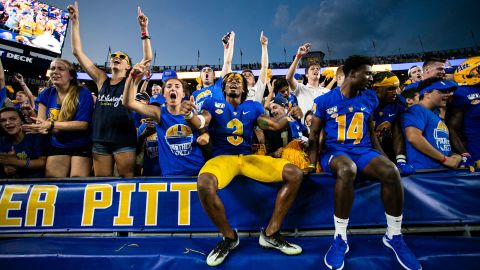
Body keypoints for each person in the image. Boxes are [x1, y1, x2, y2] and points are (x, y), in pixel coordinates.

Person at [308, 55, 421, 270]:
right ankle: (340, 238)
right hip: (336, 151)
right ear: (352, 74)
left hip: (363, 150)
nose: (371, 77)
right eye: (367, 73)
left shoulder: (369, 97)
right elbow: (314, 136)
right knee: (346, 169)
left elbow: (370, 131)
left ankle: (394, 236)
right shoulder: (324, 100)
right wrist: (313, 165)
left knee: (391, 172)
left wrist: (387, 160)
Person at [180, 72, 303, 267]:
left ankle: (271, 233)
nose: (233, 83)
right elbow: (201, 121)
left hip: (247, 158)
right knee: (204, 183)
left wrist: (291, 116)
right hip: (223, 158)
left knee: (294, 173)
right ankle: (229, 237)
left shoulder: (253, 107)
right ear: (224, 88)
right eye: (229, 81)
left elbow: (273, 125)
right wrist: (188, 114)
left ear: (245, 88)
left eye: (238, 81)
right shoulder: (212, 103)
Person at [68, 2, 152, 177]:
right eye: (114, 56)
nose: (116, 57)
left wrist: (144, 30)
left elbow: (148, 58)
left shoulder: (132, 80)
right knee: (102, 184)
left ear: (128, 65)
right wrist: (74, 23)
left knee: (126, 183)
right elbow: (77, 51)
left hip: (124, 141)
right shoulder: (101, 80)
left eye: (122, 57)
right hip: (100, 141)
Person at [122, 60, 204, 176]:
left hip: (197, 173)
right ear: (164, 94)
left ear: (183, 93)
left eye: (177, 86)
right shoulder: (158, 113)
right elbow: (128, 102)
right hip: (171, 175)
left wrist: (205, 133)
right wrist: (132, 76)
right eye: (169, 86)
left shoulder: (192, 111)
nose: (173, 89)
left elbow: (205, 134)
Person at [22, 59, 94, 177]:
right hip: (58, 144)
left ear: (71, 76)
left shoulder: (83, 92)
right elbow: (42, 124)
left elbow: (83, 124)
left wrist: (51, 125)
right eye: (53, 68)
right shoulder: (45, 93)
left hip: (81, 144)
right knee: (52, 180)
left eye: (60, 69)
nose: (55, 72)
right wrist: (38, 128)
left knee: (76, 181)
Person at [403, 77, 462, 171]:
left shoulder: (434, 116)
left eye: (448, 91)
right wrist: (445, 159)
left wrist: (456, 157)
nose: (448, 94)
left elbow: (442, 147)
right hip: (425, 173)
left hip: (439, 172)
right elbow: (414, 138)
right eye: (442, 91)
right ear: (427, 94)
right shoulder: (417, 110)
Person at [371, 72, 414, 175]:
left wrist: (401, 161)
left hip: (385, 148)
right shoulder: (364, 102)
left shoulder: (398, 103)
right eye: (390, 88)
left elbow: (397, 135)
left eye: (396, 87)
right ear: (376, 88)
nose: (395, 92)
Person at [447, 56, 480, 168]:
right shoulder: (462, 93)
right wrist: (465, 155)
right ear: (467, 73)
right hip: (477, 154)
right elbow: (453, 129)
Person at [0, 107, 47, 178]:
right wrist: (7, 168)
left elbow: (42, 163)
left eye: (13, 119)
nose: (8, 122)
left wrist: (13, 161)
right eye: (3, 120)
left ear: (22, 120)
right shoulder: (2, 142)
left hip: (38, 182)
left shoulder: (35, 136)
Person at [286, 43, 329, 118]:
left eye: (318, 69)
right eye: (312, 69)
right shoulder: (301, 88)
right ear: (306, 75)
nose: (316, 70)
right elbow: (289, 78)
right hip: (306, 128)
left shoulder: (327, 91)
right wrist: (298, 56)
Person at [243, 31, 269, 103]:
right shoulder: (236, 92)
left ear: (254, 81)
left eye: (250, 75)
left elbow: (264, 67)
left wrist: (264, 46)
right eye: (244, 75)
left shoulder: (258, 88)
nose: (247, 76)